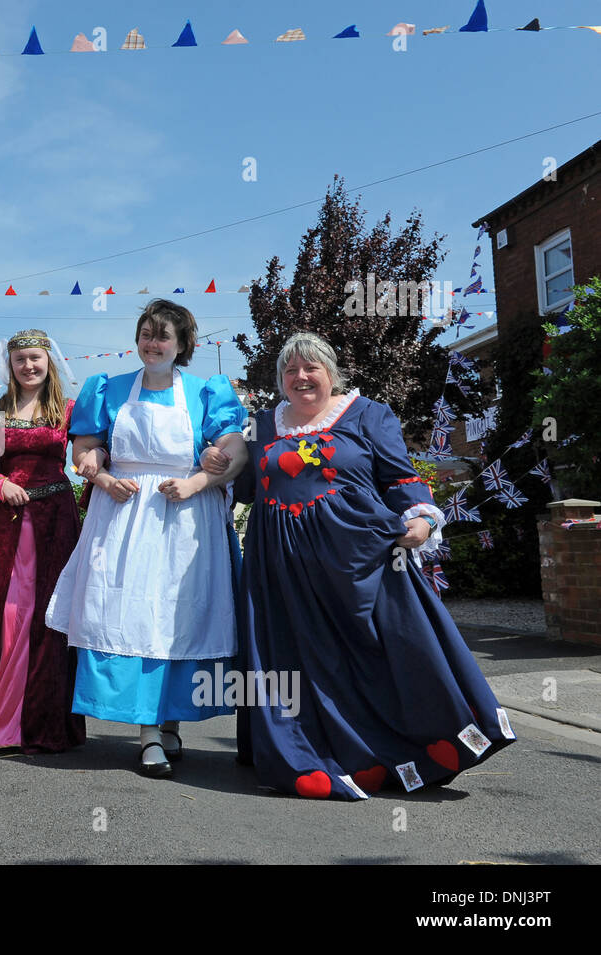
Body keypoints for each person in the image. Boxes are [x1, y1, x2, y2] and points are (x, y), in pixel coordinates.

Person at [219, 331, 513, 799]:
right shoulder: (262, 425)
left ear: (331, 372)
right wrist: (209, 463)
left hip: (357, 556)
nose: (301, 377)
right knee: (290, 657)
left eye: (311, 367)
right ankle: (300, 754)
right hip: (280, 565)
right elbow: (240, 484)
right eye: (290, 370)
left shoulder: (366, 413)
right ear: (280, 379)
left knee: (377, 648)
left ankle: (404, 748)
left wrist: (420, 518)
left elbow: (401, 476)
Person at [46, 300, 248, 777]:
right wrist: (99, 475)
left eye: (163, 336)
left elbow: (235, 447)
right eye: (146, 333)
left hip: (188, 516)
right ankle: (149, 734)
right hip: (123, 512)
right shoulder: (107, 388)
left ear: (182, 346)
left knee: (179, 614)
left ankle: (170, 720)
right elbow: (85, 449)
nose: (152, 343)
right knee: (131, 612)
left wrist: (206, 473)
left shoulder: (207, 391)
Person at [0, 328, 86, 753]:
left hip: (57, 523)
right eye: (20, 359)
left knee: (51, 615)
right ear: (9, 366)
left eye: (35, 358)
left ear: (49, 361)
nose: (28, 366)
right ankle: (6, 723)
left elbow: (90, 452)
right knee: (7, 614)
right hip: (6, 522)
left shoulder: (67, 409)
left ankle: (47, 726)